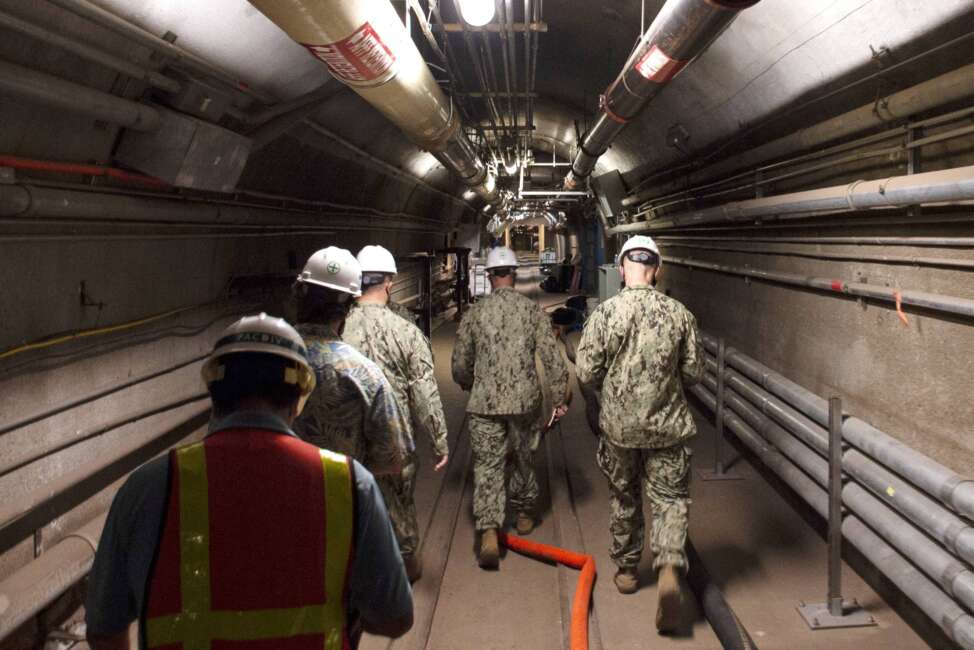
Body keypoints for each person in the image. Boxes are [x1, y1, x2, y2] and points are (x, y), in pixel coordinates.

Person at [85, 313, 413, 649]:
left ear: (214, 390)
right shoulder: (349, 483)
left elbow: (103, 627)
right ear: (300, 394)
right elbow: (395, 616)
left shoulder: (147, 487)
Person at [575, 235, 704, 633]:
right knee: (669, 501)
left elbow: (585, 373)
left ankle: (628, 572)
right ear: (657, 270)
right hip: (669, 428)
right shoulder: (680, 314)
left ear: (620, 269)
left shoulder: (606, 314)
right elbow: (694, 373)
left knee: (625, 496)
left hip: (619, 431)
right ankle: (668, 569)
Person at [451, 246, 569, 569]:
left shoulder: (475, 314)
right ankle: (524, 515)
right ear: (513, 275)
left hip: (484, 404)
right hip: (525, 402)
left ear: (489, 277)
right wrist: (560, 399)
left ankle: (489, 529)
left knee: (488, 466)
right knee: (523, 458)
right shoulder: (531, 312)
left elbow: (460, 364)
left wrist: (467, 384)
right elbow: (552, 359)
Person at [343, 244, 450, 582]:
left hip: (344, 444)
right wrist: (439, 441)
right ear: (389, 282)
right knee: (399, 505)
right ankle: (405, 567)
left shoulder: (337, 328)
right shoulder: (406, 332)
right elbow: (424, 392)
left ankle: (354, 570)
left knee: (348, 506)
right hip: (394, 441)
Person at [292, 246, 410, 477]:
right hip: (337, 503)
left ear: (299, 293)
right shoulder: (363, 374)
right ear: (349, 305)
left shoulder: (263, 359)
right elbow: (393, 459)